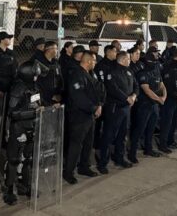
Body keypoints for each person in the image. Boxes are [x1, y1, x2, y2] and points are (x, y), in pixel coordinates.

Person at [3, 60, 42, 204]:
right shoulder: (18, 89)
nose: (37, 75)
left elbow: (37, 103)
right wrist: (32, 113)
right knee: (13, 160)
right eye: (35, 73)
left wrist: (38, 111)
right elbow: (12, 112)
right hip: (18, 129)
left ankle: (25, 186)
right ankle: (9, 190)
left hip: (32, 127)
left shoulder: (34, 87)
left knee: (27, 159)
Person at [63, 51, 102, 184]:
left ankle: (84, 167)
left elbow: (98, 90)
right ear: (88, 61)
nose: (95, 62)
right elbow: (79, 97)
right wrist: (93, 108)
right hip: (79, 116)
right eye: (94, 60)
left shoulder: (89, 74)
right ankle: (68, 172)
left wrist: (99, 105)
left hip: (90, 115)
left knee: (88, 143)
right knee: (76, 144)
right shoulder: (76, 75)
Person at [97, 50, 136, 173]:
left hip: (126, 109)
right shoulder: (112, 72)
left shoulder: (129, 71)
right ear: (123, 60)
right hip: (115, 108)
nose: (130, 61)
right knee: (109, 135)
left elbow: (136, 85)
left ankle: (120, 158)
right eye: (128, 59)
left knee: (123, 135)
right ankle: (103, 162)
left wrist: (134, 96)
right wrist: (126, 98)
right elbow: (113, 88)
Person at [128, 51, 166, 160]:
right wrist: (160, 99)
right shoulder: (142, 73)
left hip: (154, 105)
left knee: (151, 129)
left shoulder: (156, 71)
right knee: (139, 129)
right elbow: (147, 90)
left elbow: (162, 85)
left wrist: (163, 97)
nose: (154, 63)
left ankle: (148, 149)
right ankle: (132, 153)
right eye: (152, 61)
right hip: (144, 106)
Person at [159, 49, 177, 152]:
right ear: (174, 57)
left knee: (173, 122)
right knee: (167, 122)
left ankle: (170, 141)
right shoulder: (168, 68)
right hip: (170, 99)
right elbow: (167, 87)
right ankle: (163, 144)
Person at [32, 41, 63, 106]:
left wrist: (58, 94)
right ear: (49, 50)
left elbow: (59, 79)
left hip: (54, 98)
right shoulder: (39, 62)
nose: (57, 51)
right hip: (42, 98)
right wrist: (40, 99)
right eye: (55, 48)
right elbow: (35, 83)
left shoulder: (56, 63)